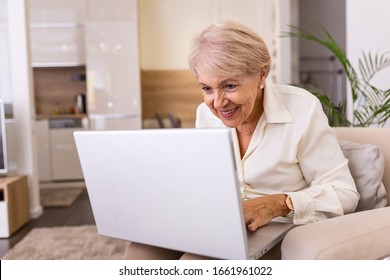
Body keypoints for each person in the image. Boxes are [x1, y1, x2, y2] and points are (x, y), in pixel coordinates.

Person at [123, 21, 359, 260]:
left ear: (262, 74)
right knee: (139, 253)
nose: (218, 102)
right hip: (220, 225)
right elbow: (205, 182)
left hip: (277, 229)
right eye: (207, 88)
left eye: (230, 86)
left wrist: (280, 203)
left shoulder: (302, 109)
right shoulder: (205, 115)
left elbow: (344, 193)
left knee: (193, 263)